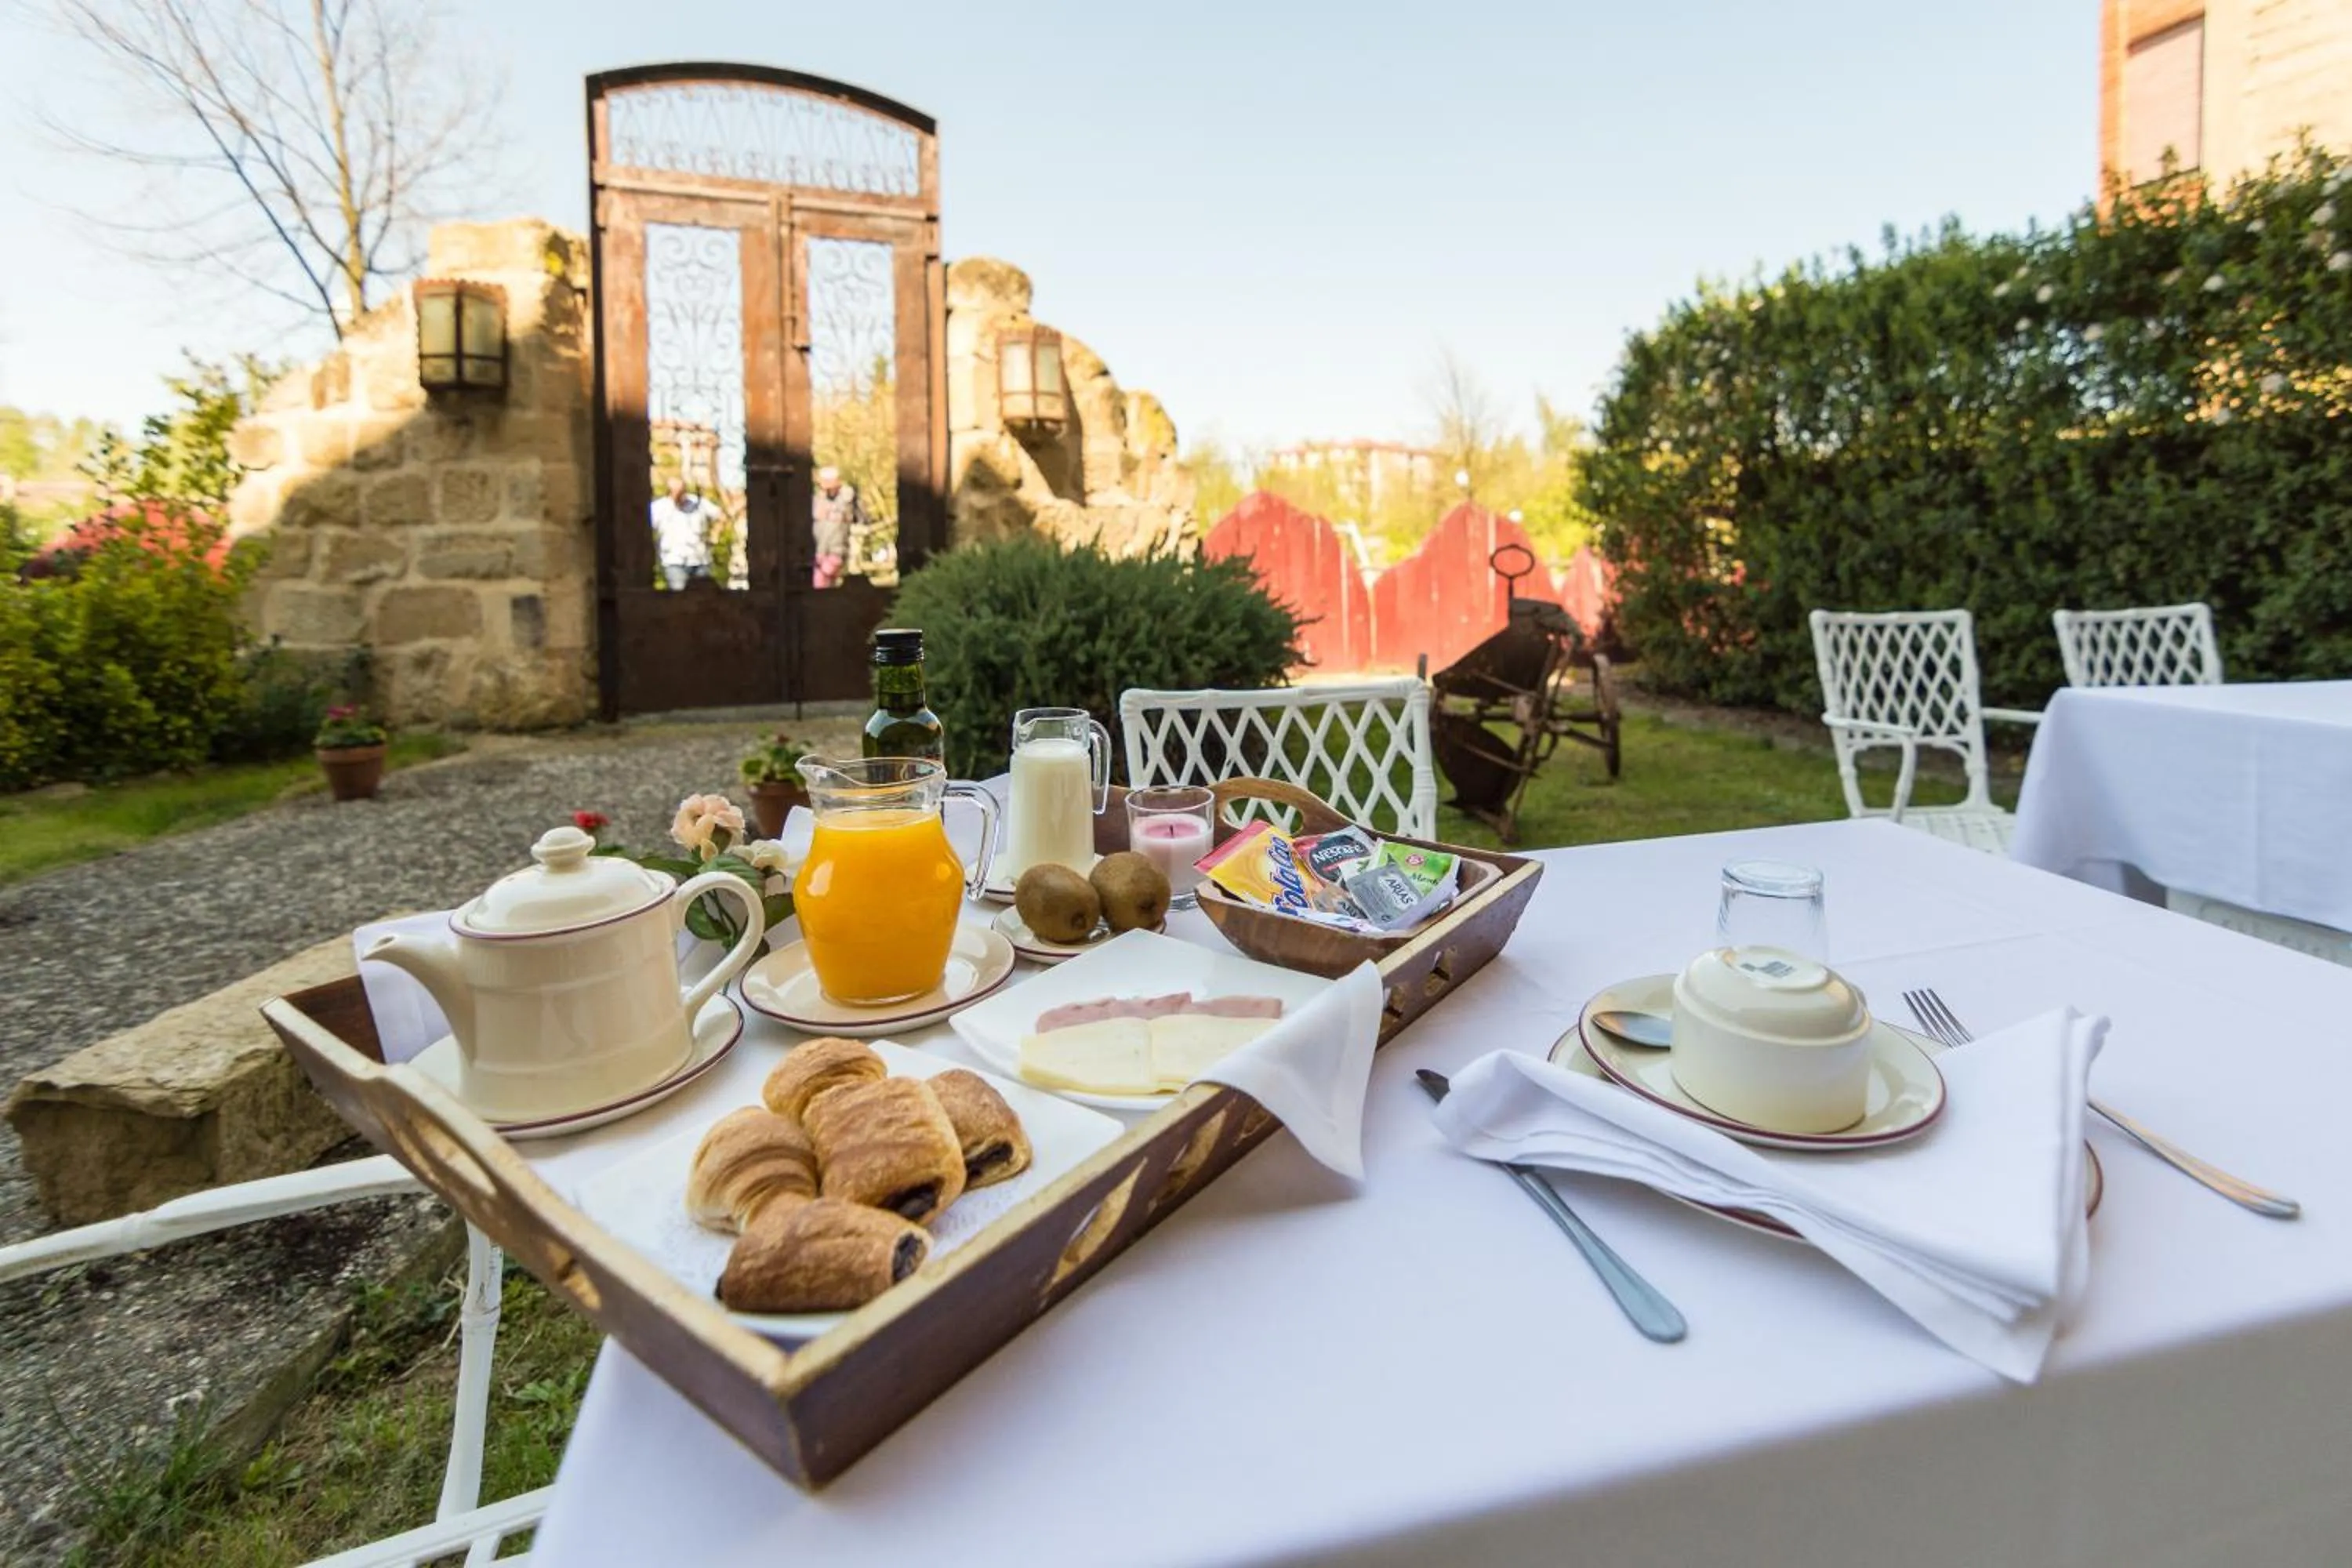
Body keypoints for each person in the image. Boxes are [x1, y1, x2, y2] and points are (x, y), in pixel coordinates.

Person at [650, 475, 714, 590]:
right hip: (674, 561)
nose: (680, 495)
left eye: (682, 491)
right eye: (676, 492)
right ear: (670, 492)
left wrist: (714, 535)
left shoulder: (697, 503)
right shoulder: (659, 507)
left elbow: (720, 516)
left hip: (700, 560)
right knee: (679, 595)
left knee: (703, 596)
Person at [811, 465, 867, 590]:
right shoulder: (818, 500)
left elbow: (862, 518)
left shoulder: (847, 499)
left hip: (836, 551)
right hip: (819, 552)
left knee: (821, 581)